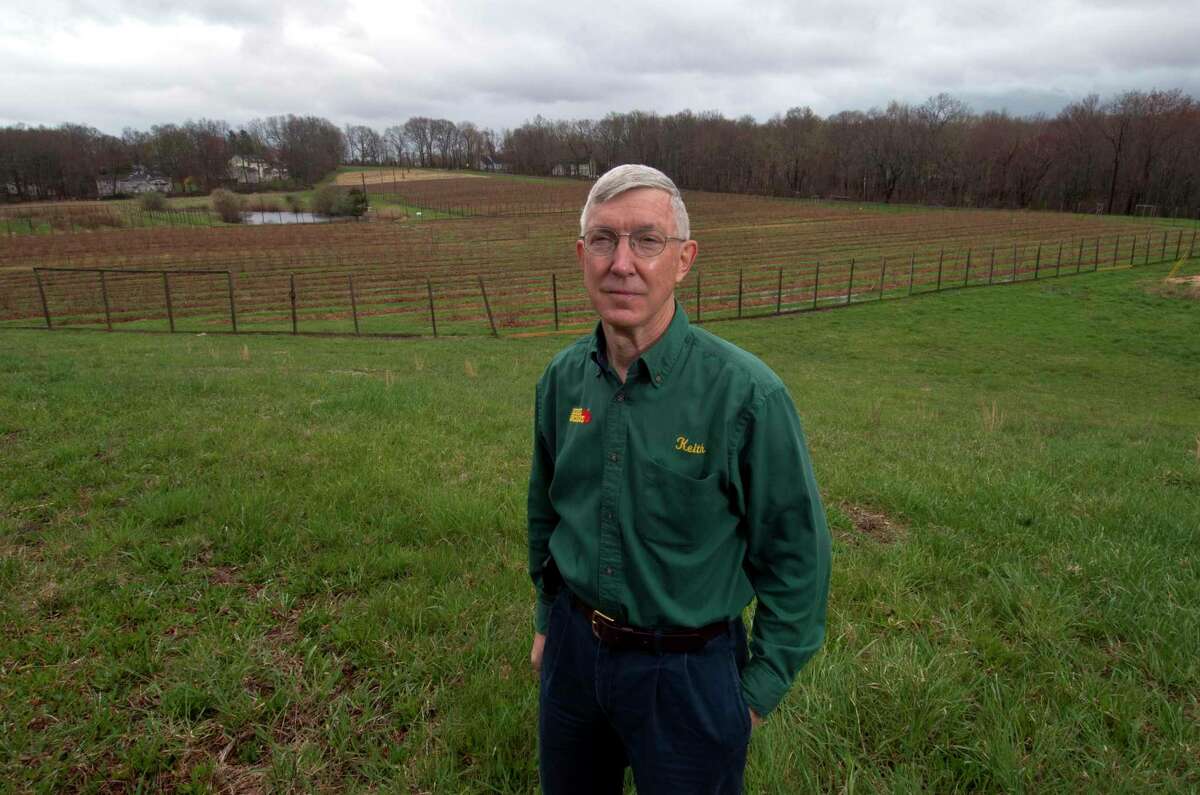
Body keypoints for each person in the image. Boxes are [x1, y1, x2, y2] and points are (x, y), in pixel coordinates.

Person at [527, 164, 830, 794]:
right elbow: (547, 512)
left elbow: (797, 556)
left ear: (684, 259)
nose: (622, 263)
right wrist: (545, 622)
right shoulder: (562, 381)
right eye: (604, 240)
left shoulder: (746, 396)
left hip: (690, 675)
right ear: (582, 255)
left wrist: (752, 692)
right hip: (574, 656)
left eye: (647, 241)